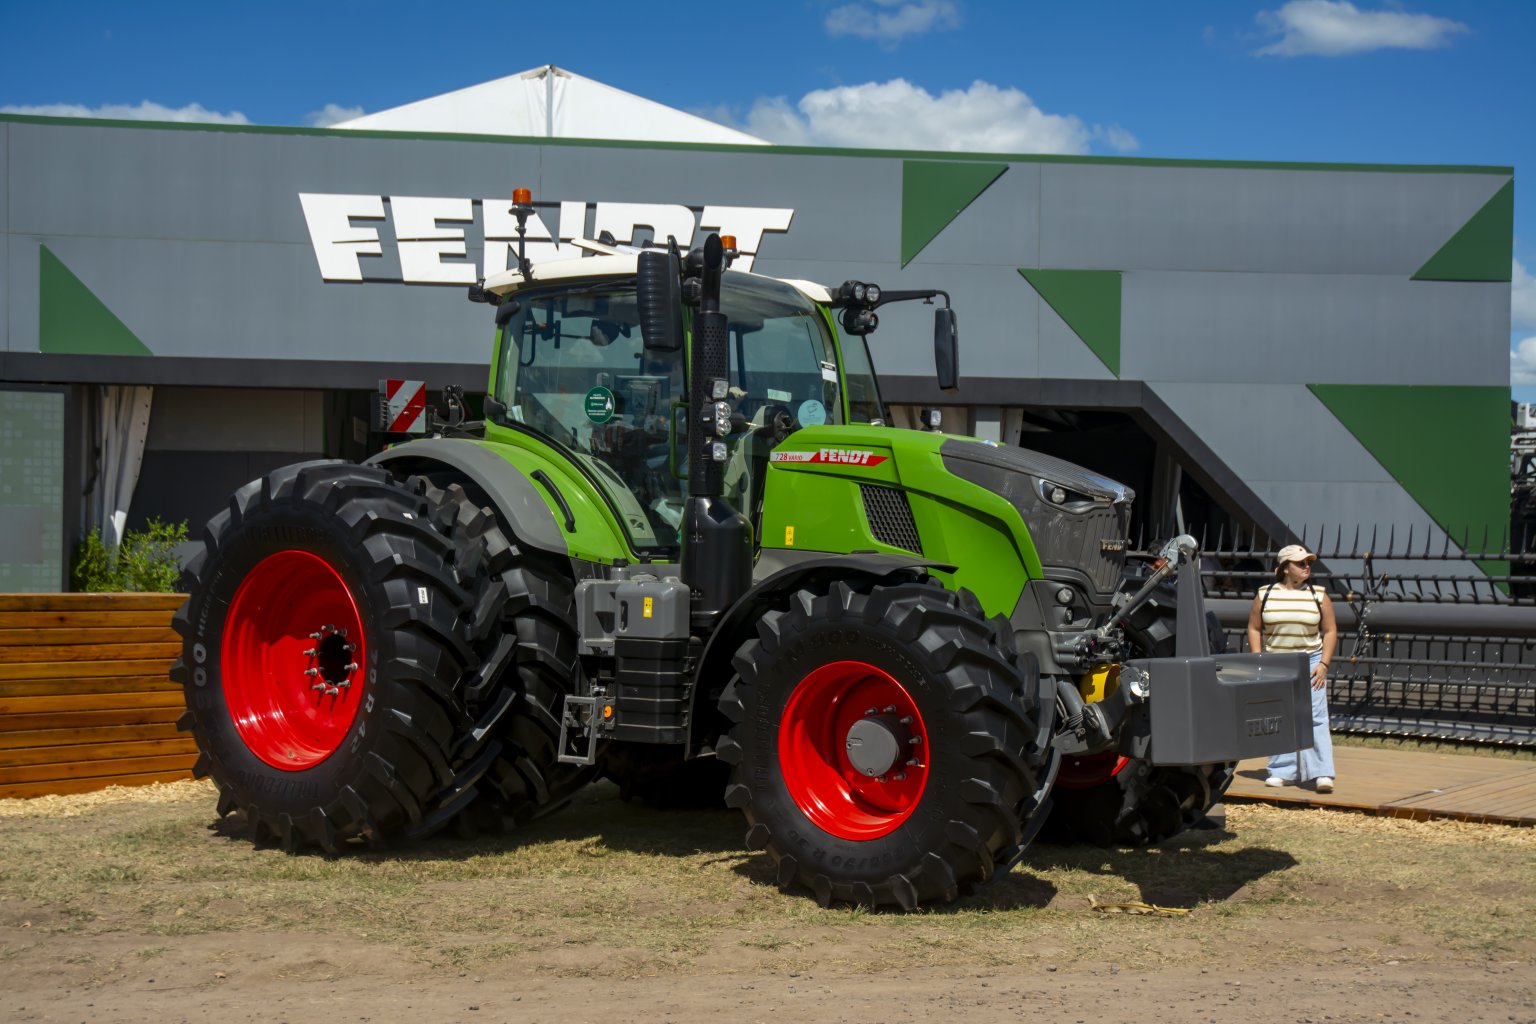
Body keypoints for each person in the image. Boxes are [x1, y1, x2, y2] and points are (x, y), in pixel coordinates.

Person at [1246, 544, 1338, 792]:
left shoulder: (1318, 595)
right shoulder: (1264, 594)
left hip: (1310, 660)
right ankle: (1282, 769)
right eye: (1301, 563)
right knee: (1280, 714)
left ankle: (1322, 772)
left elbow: (1329, 631)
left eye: (1309, 563)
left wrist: (1323, 664)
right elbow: (1254, 627)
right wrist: (1259, 659)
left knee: (1316, 716)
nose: (1307, 567)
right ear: (1286, 568)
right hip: (1277, 661)